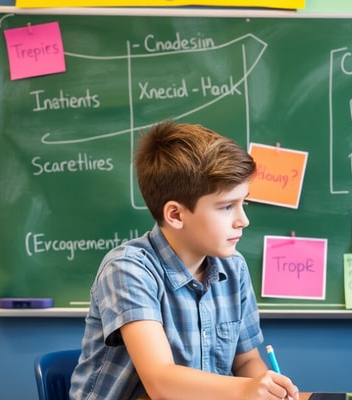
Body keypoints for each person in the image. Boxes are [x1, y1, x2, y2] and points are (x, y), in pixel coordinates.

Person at [69, 120, 299, 400]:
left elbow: (246, 362)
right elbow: (161, 382)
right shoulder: (128, 269)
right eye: (227, 207)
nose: (243, 220)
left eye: (243, 203)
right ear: (176, 215)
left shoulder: (234, 267)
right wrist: (247, 389)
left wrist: (267, 389)